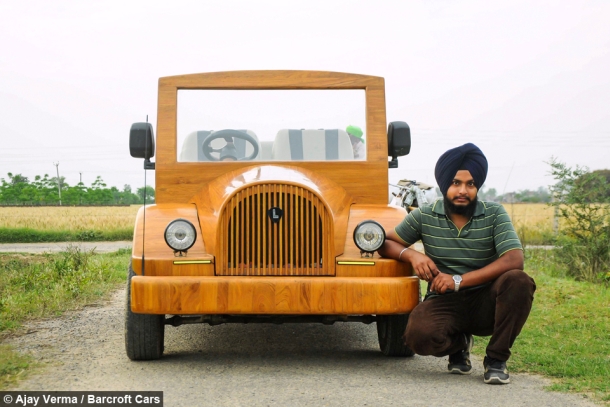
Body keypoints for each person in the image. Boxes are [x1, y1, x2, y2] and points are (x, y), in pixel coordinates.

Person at [378, 143, 535, 385]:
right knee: (417, 337)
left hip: (486, 301)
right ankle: (460, 344)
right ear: (444, 185)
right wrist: (413, 255)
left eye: (470, 184)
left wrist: (458, 280)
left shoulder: (494, 213)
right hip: (444, 300)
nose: (463, 190)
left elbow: (515, 259)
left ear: (477, 186)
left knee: (519, 281)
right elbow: (385, 242)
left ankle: (496, 359)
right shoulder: (425, 215)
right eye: (455, 183)